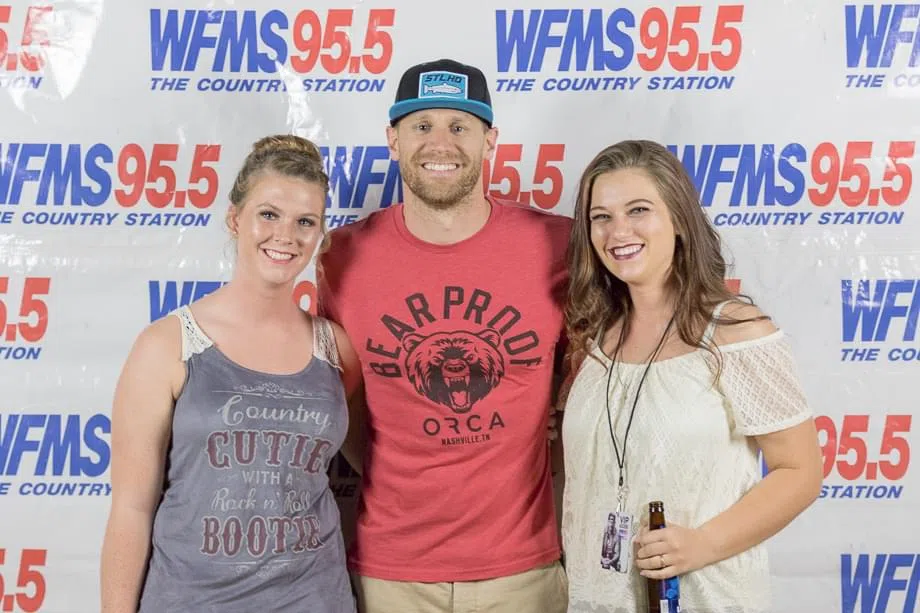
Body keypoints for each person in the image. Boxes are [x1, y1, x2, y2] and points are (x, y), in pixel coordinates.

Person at [317, 58, 571, 613]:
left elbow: (608, 366)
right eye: (421, 125)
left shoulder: (557, 245)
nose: (440, 143)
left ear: (489, 140)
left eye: (459, 126)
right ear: (393, 139)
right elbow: (339, 403)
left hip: (523, 567)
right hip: (393, 570)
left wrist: (554, 418)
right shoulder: (340, 257)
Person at [558, 140, 823, 613]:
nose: (618, 231)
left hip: (706, 598)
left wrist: (702, 544)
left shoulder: (735, 332)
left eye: (638, 210)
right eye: (601, 216)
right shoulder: (593, 336)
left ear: (679, 219)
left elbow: (800, 472)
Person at [99, 135, 360, 613]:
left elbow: (379, 461)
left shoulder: (335, 348)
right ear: (235, 218)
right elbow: (132, 508)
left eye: (305, 222)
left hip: (315, 599)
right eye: (269, 214)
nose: (286, 235)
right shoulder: (168, 344)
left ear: (320, 234)